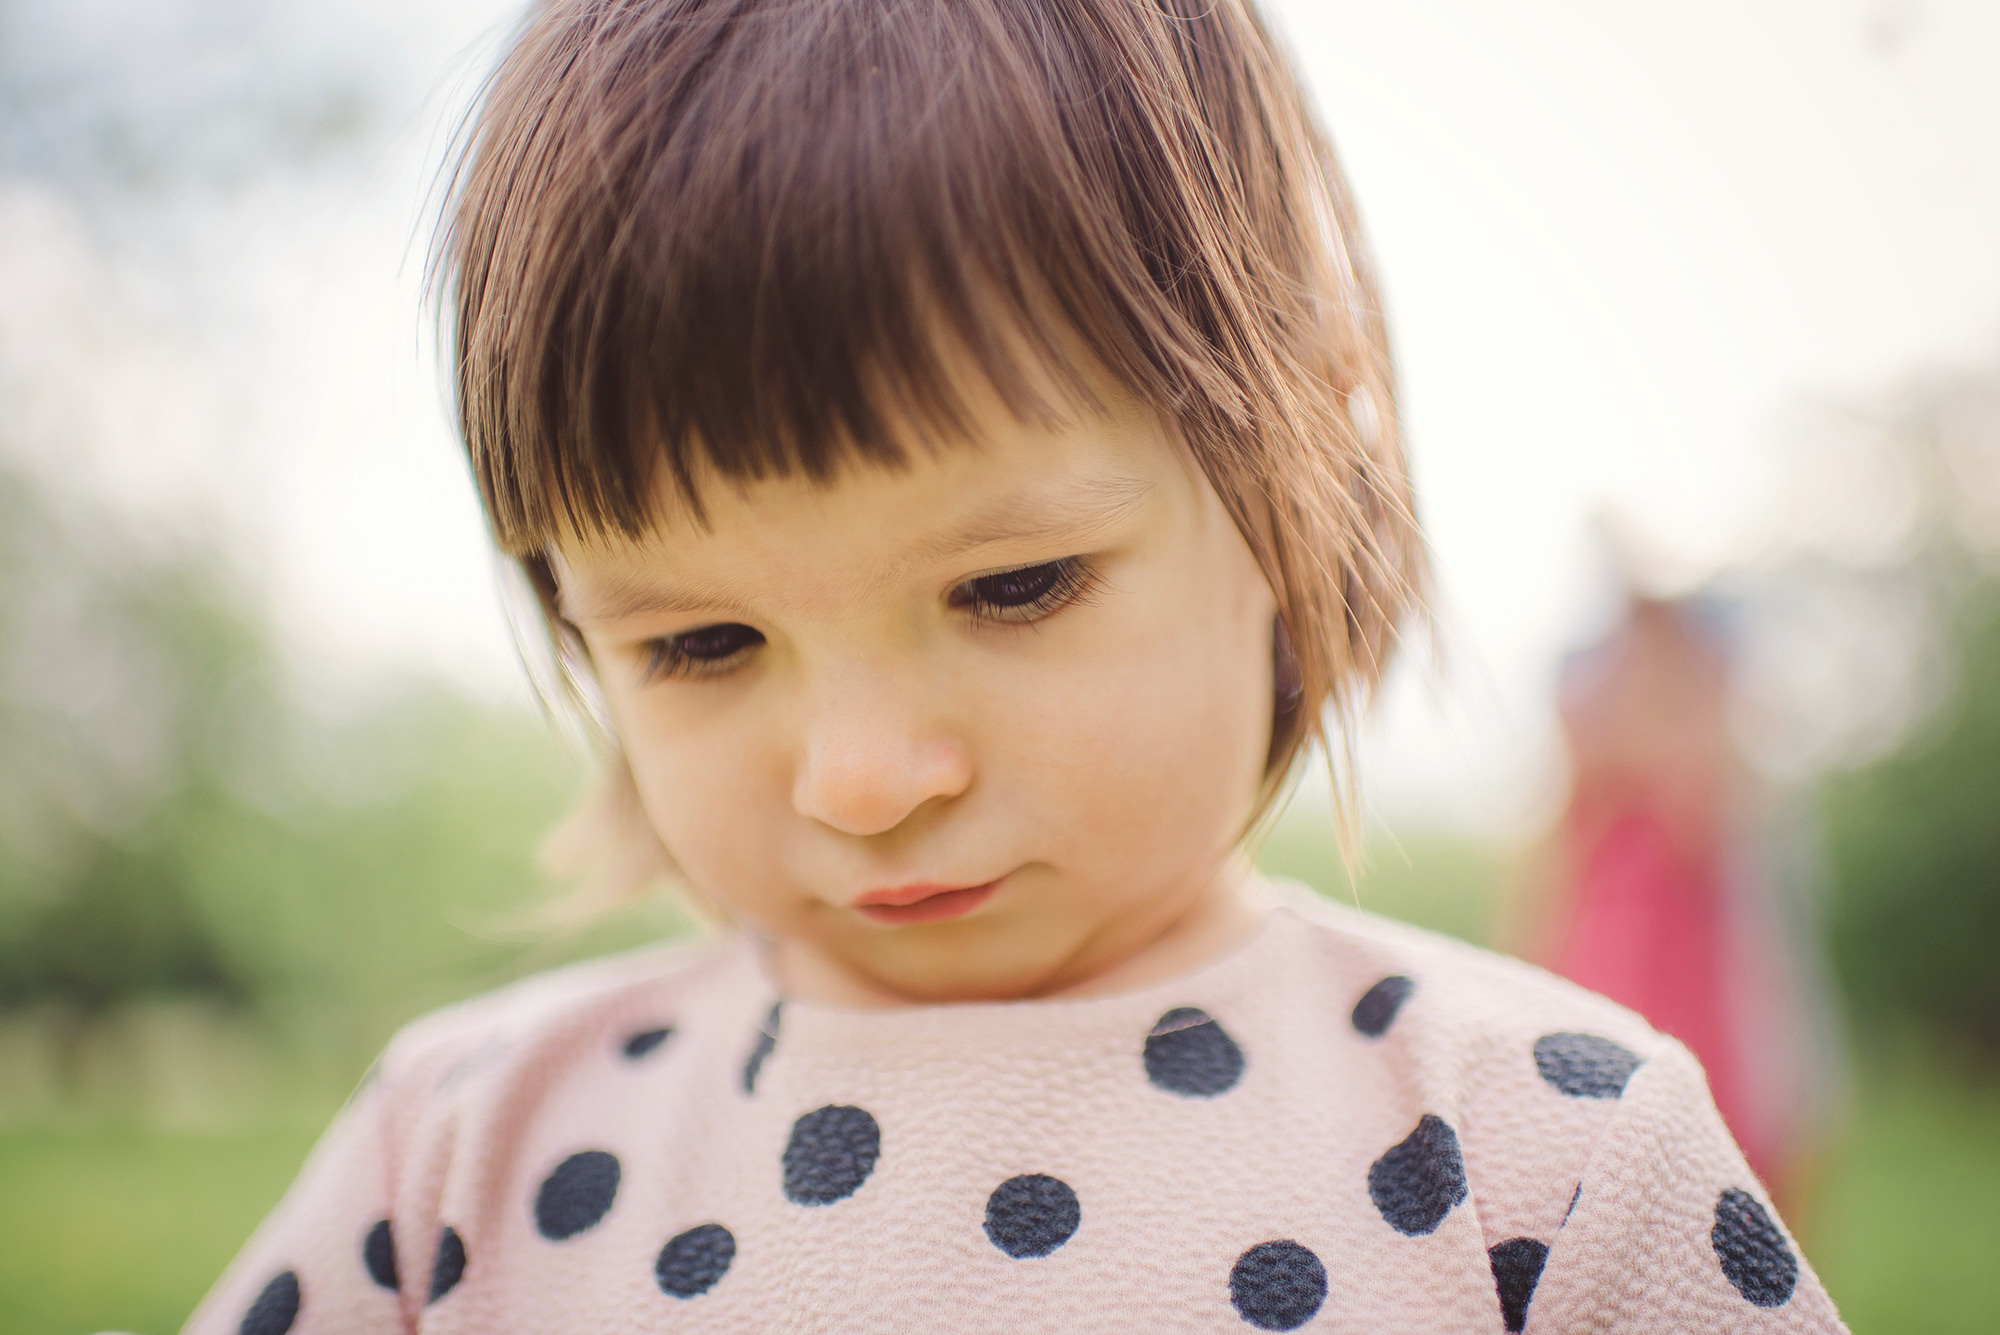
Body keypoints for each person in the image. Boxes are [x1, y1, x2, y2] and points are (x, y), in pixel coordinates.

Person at [186, 1, 1845, 1330]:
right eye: (700, 640)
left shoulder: (1544, 1161)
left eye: (1017, 584)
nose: (863, 774)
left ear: (1302, 472)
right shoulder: (462, 1155)